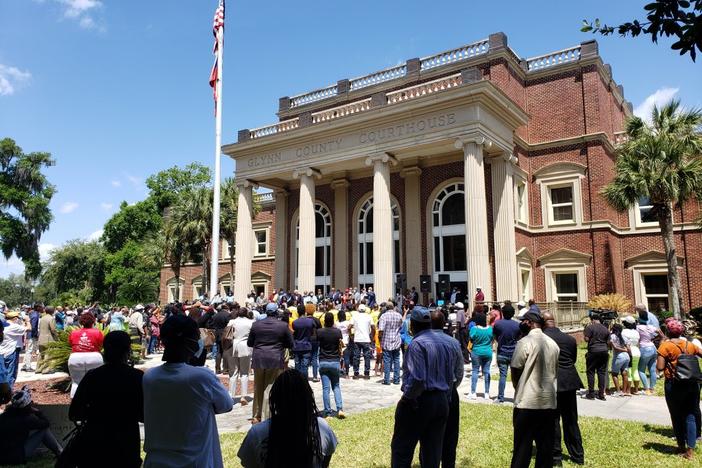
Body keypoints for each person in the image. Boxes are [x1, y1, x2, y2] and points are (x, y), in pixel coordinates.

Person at [143, 314, 233, 467]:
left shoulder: (149, 377)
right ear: (189, 342)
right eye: (197, 337)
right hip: (195, 461)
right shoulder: (202, 377)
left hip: (156, 461)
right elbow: (226, 404)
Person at [390, 306, 463, 468]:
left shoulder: (417, 344)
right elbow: (457, 375)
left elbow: (418, 378)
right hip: (443, 400)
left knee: (402, 449)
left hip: (420, 400)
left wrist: (407, 398)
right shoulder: (449, 343)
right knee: (433, 452)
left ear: (412, 325)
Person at [69, 331, 143, 467]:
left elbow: (74, 413)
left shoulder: (92, 376)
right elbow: (144, 415)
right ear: (128, 351)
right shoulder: (137, 377)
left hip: (95, 442)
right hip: (126, 443)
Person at [237, 369, 338, 467]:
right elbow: (325, 462)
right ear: (307, 398)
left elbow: (248, 463)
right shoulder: (321, 428)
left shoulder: (257, 433)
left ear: (275, 400)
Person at [510, 311, 560, 468]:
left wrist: (519, 387)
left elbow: (515, 368)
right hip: (548, 403)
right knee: (545, 450)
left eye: (523, 321)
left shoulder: (524, 342)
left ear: (529, 323)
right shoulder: (553, 344)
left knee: (522, 450)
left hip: (526, 403)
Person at [656, 318, 702, 460]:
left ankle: (681, 446)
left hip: (674, 384)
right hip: (692, 384)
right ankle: (690, 451)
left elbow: (660, 367)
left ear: (668, 331)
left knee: (676, 415)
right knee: (690, 415)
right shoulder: (690, 345)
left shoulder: (665, 346)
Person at [543, 312, 585, 466]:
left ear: (543, 323)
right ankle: (578, 456)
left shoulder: (543, 340)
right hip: (569, 382)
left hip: (551, 383)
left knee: (552, 421)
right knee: (571, 420)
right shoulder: (570, 339)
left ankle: (556, 458)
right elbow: (572, 359)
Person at [247, 302, 294, 424]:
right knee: (270, 387)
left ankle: (256, 415)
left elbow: (250, 343)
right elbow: (291, 344)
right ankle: (266, 415)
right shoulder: (283, 325)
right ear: (276, 311)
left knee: (258, 387)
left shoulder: (256, 325)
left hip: (259, 358)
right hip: (274, 358)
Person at [430, 310, 464, 468]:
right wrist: (452, 386)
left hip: (429, 393)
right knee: (451, 434)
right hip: (450, 392)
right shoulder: (453, 342)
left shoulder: (422, 341)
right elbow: (459, 371)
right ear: (444, 323)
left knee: (429, 435)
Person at [0, 385, 62, 465]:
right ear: (27, 406)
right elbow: (46, 423)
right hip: (16, 457)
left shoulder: (3, 416)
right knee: (44, 431)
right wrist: (38, 412)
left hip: (2, 456)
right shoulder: (27, 419)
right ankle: (60, 452)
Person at [68, 312, 104, 397]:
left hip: (75, 358)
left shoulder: (74, 333)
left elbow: (71, 344)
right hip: (94, 357)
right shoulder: (97, 332)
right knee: (96, 383)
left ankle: (75, 404)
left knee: (76, 383)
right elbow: (101, 345)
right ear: (93, 322)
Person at [317, 312, 345, 418]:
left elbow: (316, 339)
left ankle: (328, 412)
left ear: (325, 321)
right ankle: (339, 408)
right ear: (333, 320)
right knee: (336, 386)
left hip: (324, 361)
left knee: (325, 388)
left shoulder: (320, 332)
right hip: (335, 361)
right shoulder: (337, 332)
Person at [225, 307, 254, 405]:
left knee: (233, 372)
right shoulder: (251, 322)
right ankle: (243, 396)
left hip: (233, 345)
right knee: (244, 373)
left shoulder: (232, 321)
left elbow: (227, 334)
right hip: (245, 346)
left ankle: (231, 396)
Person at [493, 305, 521, 403]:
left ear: (503, 313)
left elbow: (495, 336)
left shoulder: (497, 324)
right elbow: (519, 338)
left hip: (502, 353)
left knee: (503, 376)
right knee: (517, 377)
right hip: (514, 353)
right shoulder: (517, 325)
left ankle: (500, 398)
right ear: (513, 313)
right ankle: (518, 398)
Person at [583, 313, 610, 400]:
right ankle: (601, 394)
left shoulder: (590, 327)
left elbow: (586, 339)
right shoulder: (605, 328)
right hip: (604, 351)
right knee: (601, 372)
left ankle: (591, 394)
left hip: (593, 351)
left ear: (593, 320)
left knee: (590, 371)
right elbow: (608, 342)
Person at [468, 311, 493, 400]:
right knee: (486, 372)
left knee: (475, 371)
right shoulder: (490, 329)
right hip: (488, 352)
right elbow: (492, 339)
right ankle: (486, 393)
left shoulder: (474, 329)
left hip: (476, 351)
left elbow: (471, 338)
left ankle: (473, 392)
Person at [1, 311, 28, 389]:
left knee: (3, 372)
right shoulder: (14, 327)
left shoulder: (4, 325)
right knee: (11, 372)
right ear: (15, 318)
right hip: (12, 351)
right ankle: (8, 390)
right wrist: (27, 321)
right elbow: (29, 328)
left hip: (3, 351)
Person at [378, 302, 403, 385]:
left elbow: (381, 330)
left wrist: (380, 339)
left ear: (386, 308)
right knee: (396, 360)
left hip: (386, 340)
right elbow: (401, 327)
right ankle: (396, 379)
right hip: (396, 340)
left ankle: (387, 380)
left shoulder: (384, 316)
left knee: (387, 361)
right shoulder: (399, 315)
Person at [637, 309, 660, 395]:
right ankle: (652, 388)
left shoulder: (638, 327)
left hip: (644, 348)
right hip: (653, 347)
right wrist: (654, 339)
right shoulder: (651, 327)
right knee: (652, 370)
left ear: (639, 319)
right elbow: (660, 333)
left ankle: (646, 389)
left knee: (641, 370)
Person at [350, 304, 375, 379]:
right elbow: (373, 327)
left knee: (356, 357)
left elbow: (349, 326)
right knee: (367, 357)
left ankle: (356, 373)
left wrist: (351, 335)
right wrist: (372, 336)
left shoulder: (355, 316)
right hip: (366, 339)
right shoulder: (369, 316)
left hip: (357, 339)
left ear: (358, 309)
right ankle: (366, 373)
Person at [292, 304, 316, 378]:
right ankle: (304, 381)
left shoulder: (295, 322)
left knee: (297, 364)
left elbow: (294, 334)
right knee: (305, 366)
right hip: (306, 345)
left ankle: (297, 380)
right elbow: (313, 333)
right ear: (305, 311)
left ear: (298, 312)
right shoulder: (310, 321)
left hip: (297, 346)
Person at [609, 323, 631, 396]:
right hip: (627, 357)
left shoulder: (612, 336)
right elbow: (628, 348)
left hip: (619, 356)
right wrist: (628, 353)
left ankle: (618, 391)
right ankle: (624, 391)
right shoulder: (624, 336)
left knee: (614, 374)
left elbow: (614, 347)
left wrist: (623, 350)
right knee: (624, 374)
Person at [621, 316, 641, 394]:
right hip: (636, 351)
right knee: (635, 370)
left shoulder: (624, 332)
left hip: (629, 351)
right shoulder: (636, 332)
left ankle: (628, 390)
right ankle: (636, 390)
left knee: (628, 371)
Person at [36, 306, 58, 374]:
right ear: (53, 311)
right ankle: (46, 369)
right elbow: (53, 329)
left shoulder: (42, 318)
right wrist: (57, 336)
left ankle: (38, 369)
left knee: (41, 354)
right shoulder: (51, 318)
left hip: (41, 338)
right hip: (49, 339)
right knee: (49, 354)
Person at [212, 304, 233, 374]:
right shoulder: (227, 315)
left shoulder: (216, 315)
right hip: (225, 334)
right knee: (225, 350)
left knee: (218, 351)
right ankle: (225, 369)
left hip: (217, 334)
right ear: (227, 309)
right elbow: (230, 325)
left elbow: (211, 324)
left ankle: (217, 369)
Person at [21, 303, 41, 372]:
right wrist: (35, 335)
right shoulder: (35, 315)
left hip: (29, 334)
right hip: (31, 335)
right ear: (38, 307)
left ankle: (25, 365)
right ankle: (28, 367)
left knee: (28, 350)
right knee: (29, 350)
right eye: (41, 307)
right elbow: (33, 326)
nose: (42, 308)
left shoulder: (32, 313)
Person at [335, 310, 352, 377]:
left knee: (338, 357)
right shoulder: (347, 323)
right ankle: (347, 372)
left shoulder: (336, 323)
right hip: (346, 341)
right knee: (346, 357)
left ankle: (339, 371)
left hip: (339, 342)